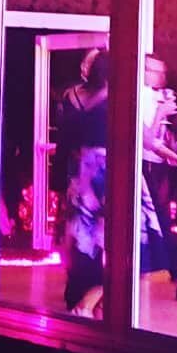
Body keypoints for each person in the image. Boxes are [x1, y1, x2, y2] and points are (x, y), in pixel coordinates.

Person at [140, 54, 177, 302]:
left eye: (162, 72)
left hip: (159, 163)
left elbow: (158, 140)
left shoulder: (155, 95)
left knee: (163, 218)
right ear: (143, 70)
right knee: (158, 219)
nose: (161, 77)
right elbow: (146, 139)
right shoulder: (138, 95)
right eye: (155, 71)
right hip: (142, 165)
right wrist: (161, 111)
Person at [61, 49, 109, 316]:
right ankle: (89, 303)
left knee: (83, 238)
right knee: (112, 240)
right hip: (105, 174)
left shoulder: (77, 98)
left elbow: (67, 141)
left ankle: (84, 297)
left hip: (82, 173)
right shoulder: (115, 100)